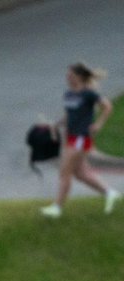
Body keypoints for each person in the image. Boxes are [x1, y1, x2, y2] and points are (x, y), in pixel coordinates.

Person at [40, 62, 121, 218]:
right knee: (80, 173)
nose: (67, 78)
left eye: (70, 75)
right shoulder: (69, 94)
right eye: (67, 75)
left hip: (81, 138)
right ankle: (110, 193)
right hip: (70, 137)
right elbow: (69, 115)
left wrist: (98, 124)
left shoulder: (88, 94)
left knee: (65, 172)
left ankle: (57, 208)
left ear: (79, 77)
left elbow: (107, 106)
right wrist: (56, 125)